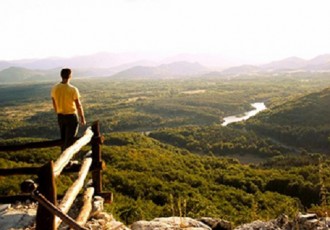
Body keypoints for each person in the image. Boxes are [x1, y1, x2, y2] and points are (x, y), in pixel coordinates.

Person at [51, 68, 86, 151]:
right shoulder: (73, 89)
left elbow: (54, 102)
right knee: (70, 140)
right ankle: (68, 160)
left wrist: (57, 111)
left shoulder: (54, 88)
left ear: (61, 76)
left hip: (60, 116)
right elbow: (78, 105)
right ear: (70, 76)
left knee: (63, 139)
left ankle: (63, 159)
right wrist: (82, 118)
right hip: (71, 117)